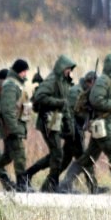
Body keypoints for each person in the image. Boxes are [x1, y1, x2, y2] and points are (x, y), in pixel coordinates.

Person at [59, 53, 111, 195]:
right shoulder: (103, 81)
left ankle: (65, 184)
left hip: (103, 126)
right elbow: (96, 100)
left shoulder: (109, 81)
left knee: (87, 158)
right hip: (104, 126)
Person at [29, 55, 77, 193]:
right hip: (47, 121)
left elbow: (65, 106)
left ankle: (31, 175)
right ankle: (51, 184)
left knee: (56, 154)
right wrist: (58, 102)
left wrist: (69, 127)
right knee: (57, 154)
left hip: (56, 122)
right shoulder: (52, 80)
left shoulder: (63, 82)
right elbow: (40, 96)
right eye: (68, 69)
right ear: (62, 68)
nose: (69, 71)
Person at [0, 59, 34, 192]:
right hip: (12, 128)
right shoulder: (11, 85)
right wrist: (14, 128)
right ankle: (22, 184)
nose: (26, 74)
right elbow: (8, 109)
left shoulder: (15, 84)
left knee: (7, 157)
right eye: (24, 71)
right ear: (20, 71)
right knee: (19, 155)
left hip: (15, 127)